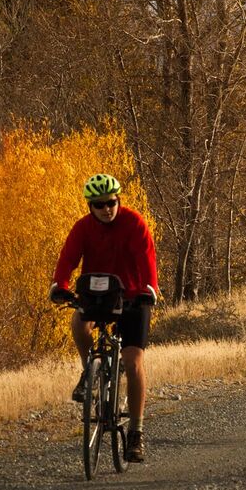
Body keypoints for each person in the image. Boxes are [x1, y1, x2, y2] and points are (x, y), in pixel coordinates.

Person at [50, 173, 159, 463]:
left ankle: (135, 433)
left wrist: (150, 288)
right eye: (98, 205)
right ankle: (90, 372)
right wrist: (59, 285)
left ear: (118, 199)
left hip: (134, 297)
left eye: (110, 202)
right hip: (97, 296)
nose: (106, 209)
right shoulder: (82, 228)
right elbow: (68, 259)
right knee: (78, 322)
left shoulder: (134, 222)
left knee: (134, 363)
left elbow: (147, 258)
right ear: (90, 206)